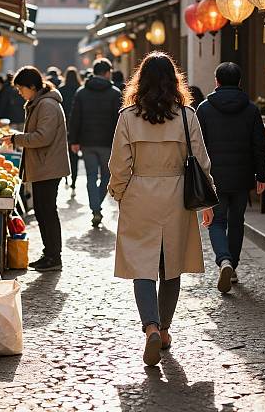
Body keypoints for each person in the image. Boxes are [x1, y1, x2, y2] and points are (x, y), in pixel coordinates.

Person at [108, 51, 214, 366]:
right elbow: (202, 162)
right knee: (172, 265)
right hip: (178, 196)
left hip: (139, 194)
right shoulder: (187, 116)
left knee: (142, 265)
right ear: (173, 81)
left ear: (140, 81)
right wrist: (207, 202)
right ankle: (165, 329)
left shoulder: (127, 117)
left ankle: (150, 327)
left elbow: (119, 164)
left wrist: (119, 193)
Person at [196, 62, 265, 293]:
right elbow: (260, 145)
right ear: (239, 82)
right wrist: (262, 175)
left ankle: (224, 260)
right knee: (237, 221)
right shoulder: (251, 109)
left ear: (216, 81)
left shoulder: (204, 109)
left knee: (217, 222)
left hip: (214, 177)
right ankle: (233, 267)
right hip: (241, 176)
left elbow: (197, 147)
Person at [3, 66, 70, 272]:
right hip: (44, 164)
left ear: (32, 86)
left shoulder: (47, 105)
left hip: (48, 166)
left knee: (47, 211)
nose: (20, 93)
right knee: (42, 210)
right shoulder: (39, 102)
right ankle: (49, 253)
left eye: (21, 88)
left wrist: (17, 138)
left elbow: (43, 137)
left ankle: (53, 256)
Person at [69, 58, 122, 227]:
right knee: (107, 175)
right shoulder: (115, 93)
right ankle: (97, 204)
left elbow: (75, 118)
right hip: (108, 143)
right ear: (107, 73)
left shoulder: (82, 92)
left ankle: (95, 208)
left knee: (91, 176)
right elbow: (119, 121)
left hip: (87, 142)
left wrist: (74, 140)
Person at [58, 66, 82, 191]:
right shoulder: (79, 90)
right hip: (76, 126)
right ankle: (74, 179)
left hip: (64, 124)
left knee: (64, 152)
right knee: (75, 154)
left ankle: (66, 177)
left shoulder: (61, 90)